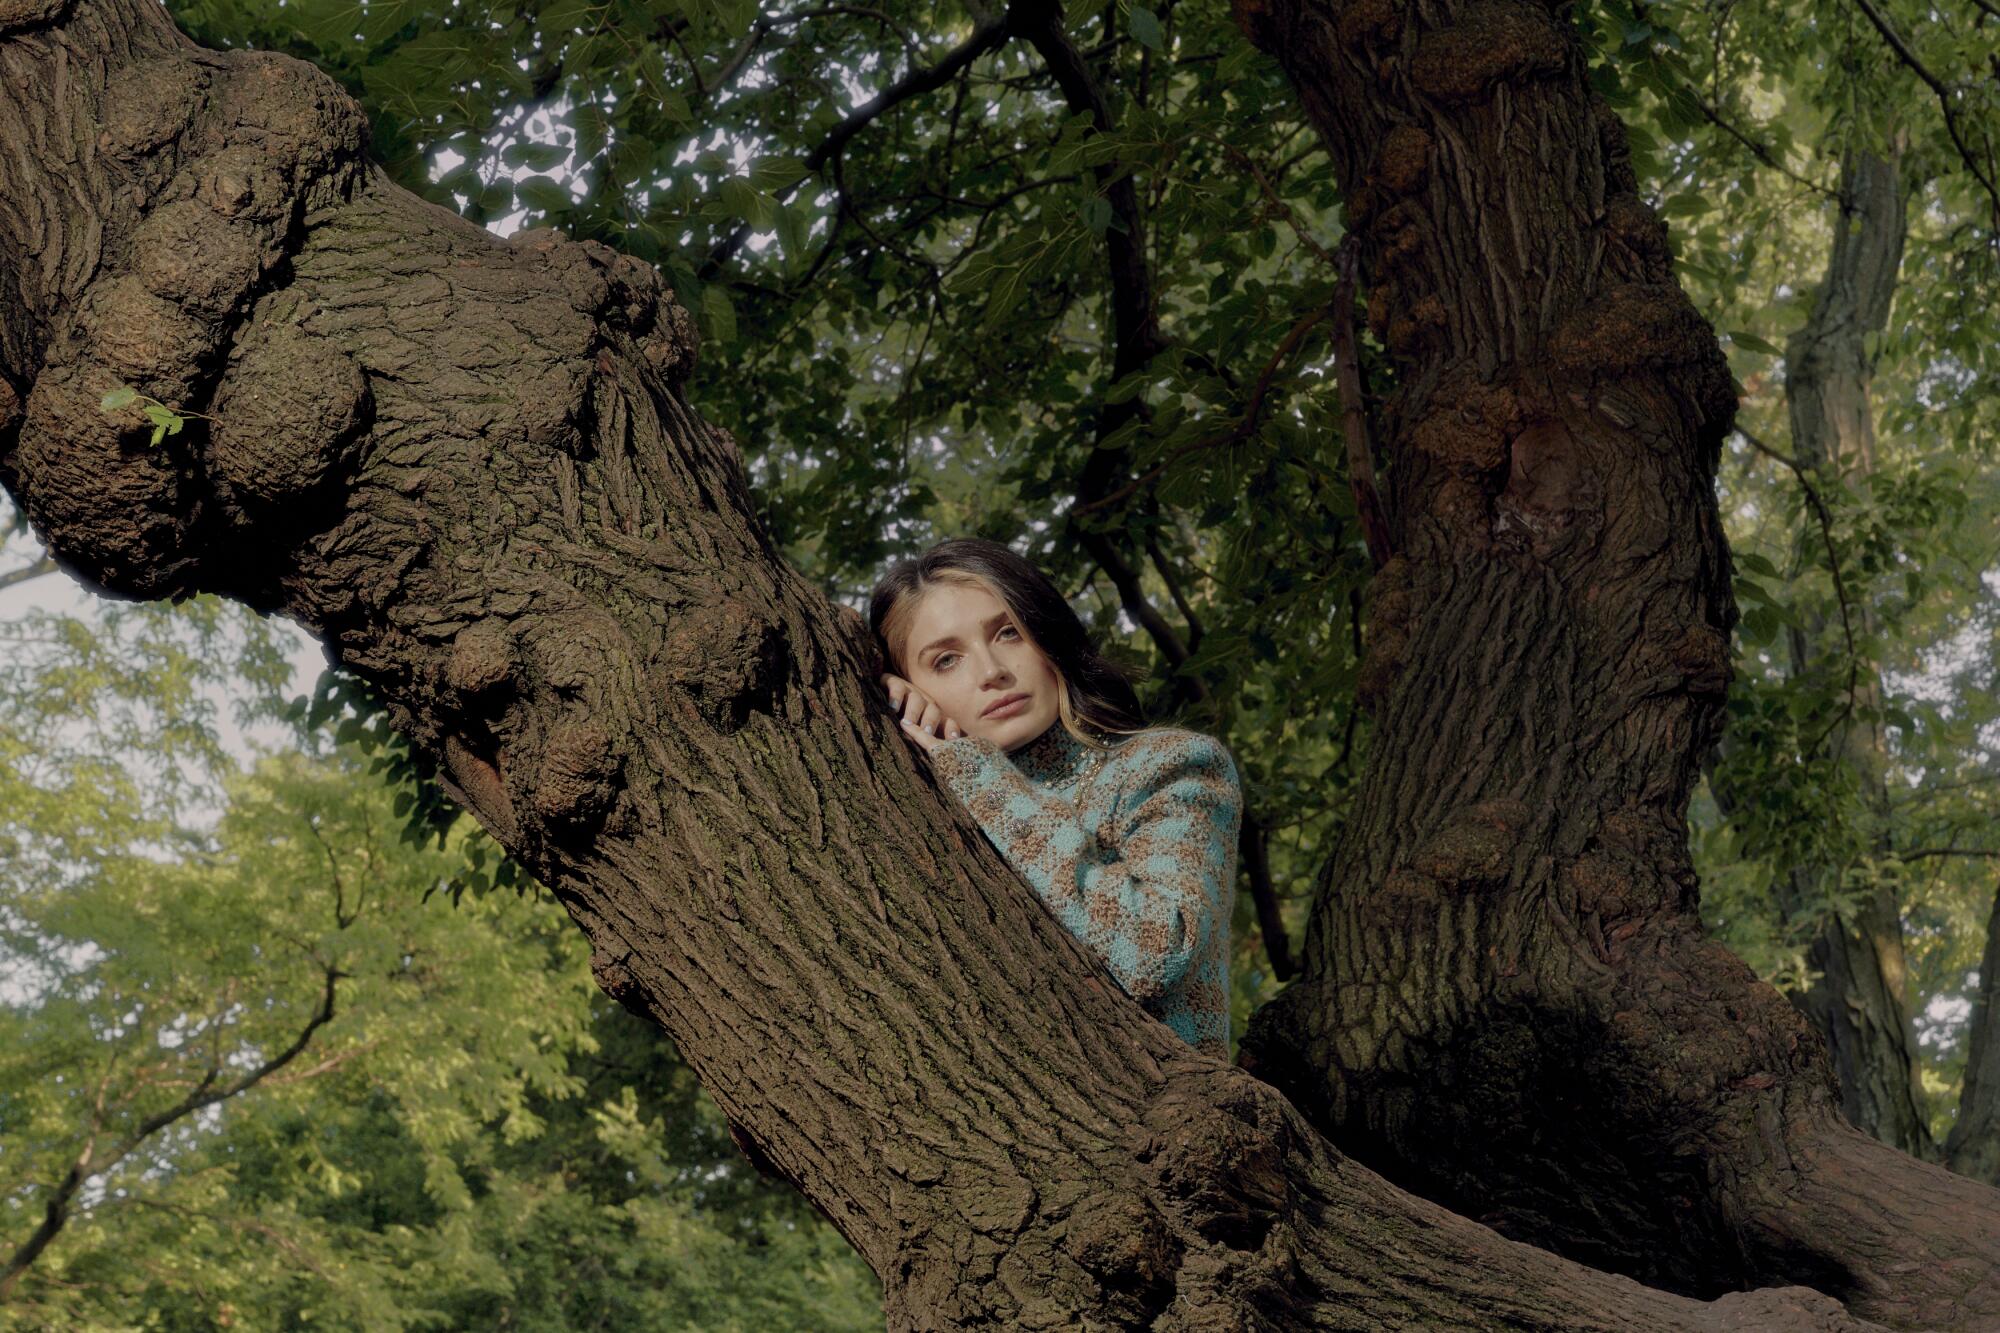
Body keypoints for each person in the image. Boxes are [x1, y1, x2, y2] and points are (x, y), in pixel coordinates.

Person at [868, 537, 1242, 1060]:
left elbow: (1154, 951)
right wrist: (875, 704)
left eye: (1009, 633)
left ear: (1047, 637)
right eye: (946, 660)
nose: (991, 670)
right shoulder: (919, 806)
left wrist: (980, 779)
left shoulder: (1170, 765)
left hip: (1162, 1117)